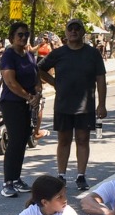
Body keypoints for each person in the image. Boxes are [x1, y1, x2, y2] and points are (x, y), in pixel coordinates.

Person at [37, 20, 107, 191]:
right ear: (66, 32)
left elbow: (101, 79)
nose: (74, 31)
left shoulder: (93, 54)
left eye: (77, 29)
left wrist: (102, 104)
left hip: (86, 106)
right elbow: (39, 69)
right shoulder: (59, 53)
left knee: (83, 140)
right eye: (71, 29)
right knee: (64, 140)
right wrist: (54, 82)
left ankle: (81, 175)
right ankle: (61, 175)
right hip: (63, 105)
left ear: (83, 32)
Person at [0, 22, 41, 198]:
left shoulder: (29, 55)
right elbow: (10, 82)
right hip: (12, 103)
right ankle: (7, 182)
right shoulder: (8, 56)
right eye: (20, 35)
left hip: (28, 103)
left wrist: (37, 92)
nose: (23, 38)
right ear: (12, 37)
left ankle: (16, 178)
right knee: (15, 141)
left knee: (23, 140)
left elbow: (36, 76)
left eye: (26, 35)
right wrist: (28, 97)